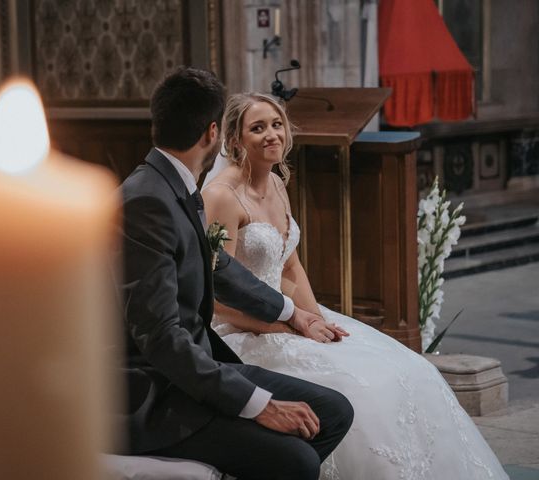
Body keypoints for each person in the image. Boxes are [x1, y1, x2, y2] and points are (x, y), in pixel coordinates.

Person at [202, 92, 509, 480]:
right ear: (234, 140)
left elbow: (290, 263)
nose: (271, 135)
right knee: (361, 389)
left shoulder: (278, 184)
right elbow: (214, 297)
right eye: (257, 128)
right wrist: (289, 325)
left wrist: (313, 319)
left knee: (411, 369)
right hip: (241, 330)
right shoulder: (221, 197)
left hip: (291, 317)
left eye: (276, 124)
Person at [119, 68, 354, 480]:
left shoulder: (174, 184)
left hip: (195, 367)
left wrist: (290, 312)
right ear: (213, 134)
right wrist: (258, 404)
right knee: (296, 460)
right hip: (155, 392)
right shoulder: (145, 201)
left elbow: (217, 265)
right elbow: (159, 337)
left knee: (334, 411)